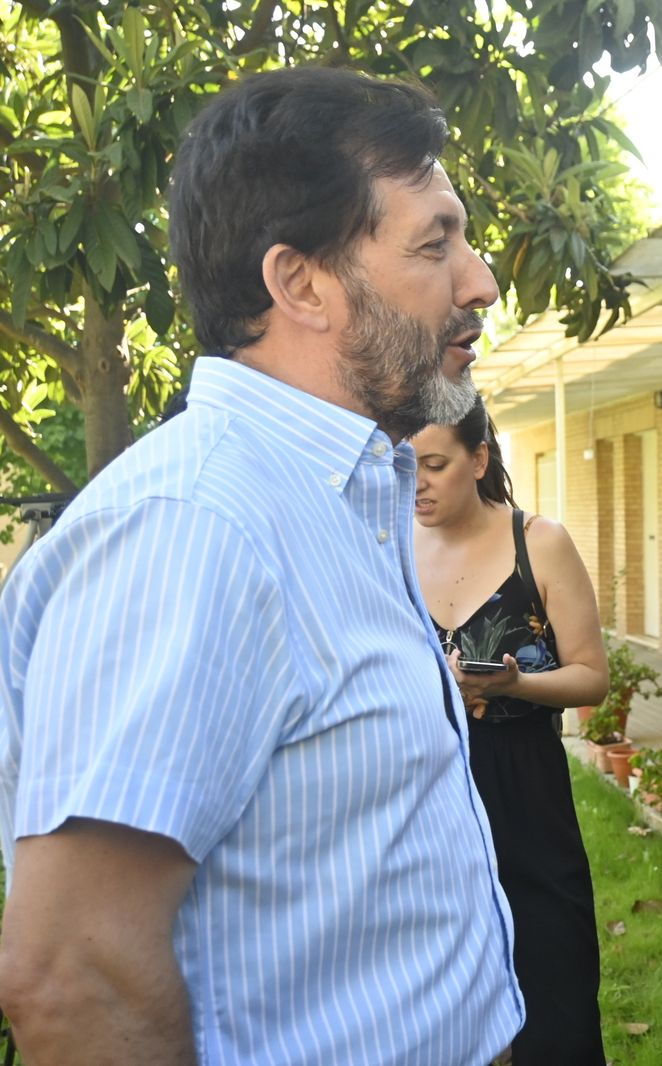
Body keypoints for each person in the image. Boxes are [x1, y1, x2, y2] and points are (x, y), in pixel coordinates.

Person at [0, 68, 524, 1063]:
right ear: (301, 284)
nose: (480, 279)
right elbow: (74, 975)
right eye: (434, 242)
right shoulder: (194, 529)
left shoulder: (339, 500)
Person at [413, 397, 609, 1064]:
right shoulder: (386, 551)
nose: (417, 484)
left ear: (478, 459)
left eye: (434, 465)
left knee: (553, 985)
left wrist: (514, 685)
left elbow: (592, 676)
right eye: (403, 467)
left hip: (525, 790)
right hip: (423, 794)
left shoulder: (540, 542)